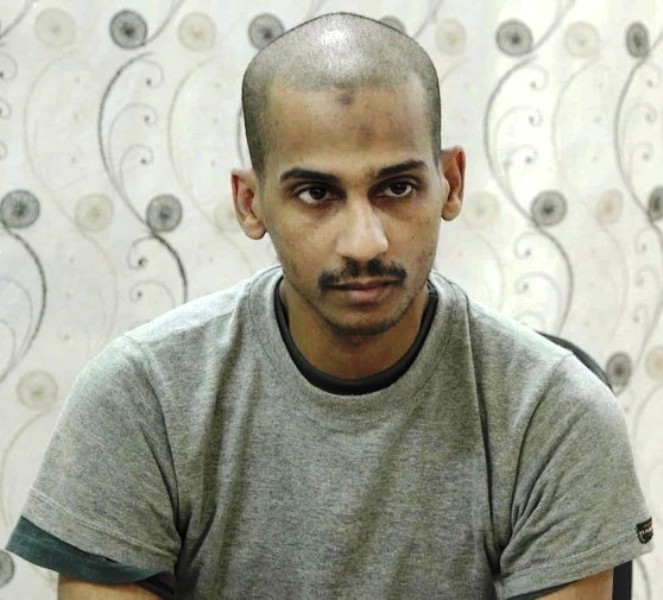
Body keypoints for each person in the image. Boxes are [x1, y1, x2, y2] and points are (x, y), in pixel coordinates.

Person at [5, 12, 653, 600]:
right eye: (316, 194)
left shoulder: (554, 413)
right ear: (251, 203)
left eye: (397, 187)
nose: (364, 243)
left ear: (450, 183)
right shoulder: (142, 397)